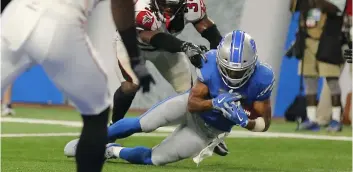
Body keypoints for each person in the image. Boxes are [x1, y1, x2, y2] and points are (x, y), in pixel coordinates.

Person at [64, 30, 275, 166]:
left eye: (239, 72)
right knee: (143, 123)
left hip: (207, 131)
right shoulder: (210, 64)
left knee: (154, 159)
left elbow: (264, 123)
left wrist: (246, 121)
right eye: (229, 70)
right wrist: (214, 103)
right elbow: (192, 103)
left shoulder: (263, 78)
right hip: (189, 107)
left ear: (252, 65)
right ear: (219, 61)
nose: (233, 75)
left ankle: (111, 151)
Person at [1, 0, 153, 171]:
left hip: (14, 16)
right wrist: (135, 59)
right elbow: (121, 6)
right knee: (97, 112)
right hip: (60, 22)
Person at [112, 0, 225, 155]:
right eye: (164, 2)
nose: (167, 8)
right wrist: (185, 47)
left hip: (164, 49)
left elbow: (209, 31)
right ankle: (112, 129)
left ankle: (206, 131)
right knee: (131, 85)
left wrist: (219, 55)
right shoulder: (141, 7)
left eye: (172, 5)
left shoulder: (191, 5)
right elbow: (150, 36)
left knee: (192, 92)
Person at [292, 0, 347, 132]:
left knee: (332, 80)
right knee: (309, 81)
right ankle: (311, 119)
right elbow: (293, 7)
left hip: (328, 42)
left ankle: (336, 120)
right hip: (308, 42)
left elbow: (335, 9)